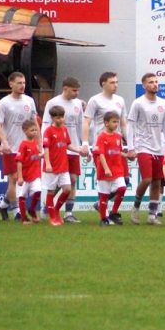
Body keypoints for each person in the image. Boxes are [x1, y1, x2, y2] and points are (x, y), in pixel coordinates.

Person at [127, 73, 165, 225]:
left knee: (157, 182)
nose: (154, 84)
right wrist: (131, 147)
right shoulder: (138, 103)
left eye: (156, 82)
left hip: (159, 148)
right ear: (144, 85)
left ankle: (152, 215)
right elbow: (131, 125)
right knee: (147, 178)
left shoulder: (163, 103)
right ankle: (135, 207)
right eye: (151, 82)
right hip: (143, 147)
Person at [40, 76, 86, 224]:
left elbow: (80, 125)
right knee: (55, 185)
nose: (77, 93)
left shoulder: (78, 104)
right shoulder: (52, 103)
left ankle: (68, 212)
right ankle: (49, 208)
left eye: (78, 90)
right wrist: (44, 146)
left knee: (72, 180)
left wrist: (83, 145)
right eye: (74, 90)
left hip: (71, 146)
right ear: (65, 88)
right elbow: (45, 125)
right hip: (55, 149)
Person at [0, 72, 38, 221]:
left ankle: (3, 205)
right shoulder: (3, 103)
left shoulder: (29, 101)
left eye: (24, 83)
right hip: (11, 148)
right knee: (13, 178)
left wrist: (39, 142)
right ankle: (17, 210)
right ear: (10, 84)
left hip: (28, 147)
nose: (22, 85)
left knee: (23, 179)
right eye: (19, 83)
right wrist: (3, 142)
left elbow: (34, 122)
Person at [83, 71, 127, 218]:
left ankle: (104, 207)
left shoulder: (120, 100)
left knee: (124, 180)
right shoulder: (95, 100)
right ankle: (106, 213)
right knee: (105, 181)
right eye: (112, 82)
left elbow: (124, 123)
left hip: (116, 146)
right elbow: (87, 121)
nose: (115, 85)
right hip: (101, 147)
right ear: (103, 84)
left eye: (117, 82)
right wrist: (85, 143)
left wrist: (129, 144)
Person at [42, 105, 80, 226]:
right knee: (51, 192)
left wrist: (79, 150)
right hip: (52, 167)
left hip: (63, 165)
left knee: (67, 189)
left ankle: (56, 210)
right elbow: (46, 148)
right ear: (52, 118)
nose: (60, 120)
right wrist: (47, 163)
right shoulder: (48, 131)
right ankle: (52, 217)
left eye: (62, 117)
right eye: (57, 117)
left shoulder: (64, 129)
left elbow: (68, 145)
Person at [94, 111, 129, 226]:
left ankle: (113, 212)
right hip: (104, 171)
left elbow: (118, 151)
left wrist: (127, 155)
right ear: (106, 123)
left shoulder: (118, 136)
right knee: (104, 195)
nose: (116, 124)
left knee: (122, 188)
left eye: (117, 122)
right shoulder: (101, 137)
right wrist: (106, 168)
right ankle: (103, 218)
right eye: (114, 122)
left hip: (117, 169)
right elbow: (101, 154)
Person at [14, 120, 44, 224]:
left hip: (35, 174)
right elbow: (19, 161)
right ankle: (24, 218)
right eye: (32, 130)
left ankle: (31, 209)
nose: (35, 132)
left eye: (36, 130)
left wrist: (41, 155)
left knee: (38, 191)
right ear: (25, 131)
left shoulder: (35, 143)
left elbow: (35, 156)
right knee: (21, 197)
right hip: (25, 175)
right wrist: (20, 177)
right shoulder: (23, 145)